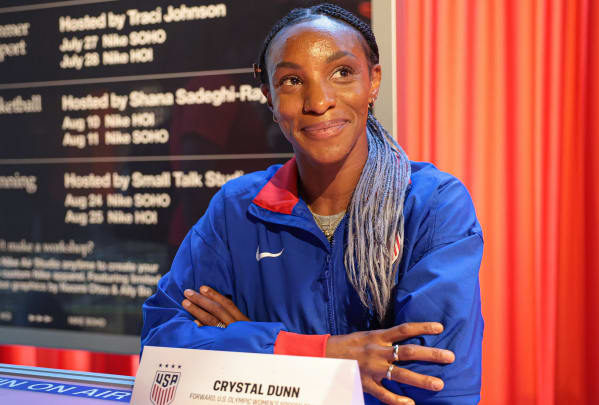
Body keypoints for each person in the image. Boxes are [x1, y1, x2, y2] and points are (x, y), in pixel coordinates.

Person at [141, 4, 483, 404]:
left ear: (373, 81)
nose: (318, 101)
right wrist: (323, 353)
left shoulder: (432, 205)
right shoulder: (237, 209)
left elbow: (433, 381)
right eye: (291, 80)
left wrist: (252, 350)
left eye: (342, 73)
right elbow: (162, 347)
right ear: (268, 95)